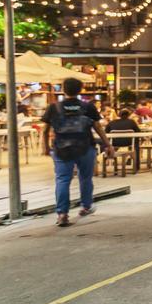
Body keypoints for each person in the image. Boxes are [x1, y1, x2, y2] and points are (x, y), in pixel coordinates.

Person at [42, 77, 114, 228]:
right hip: (85, 147)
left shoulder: (53, 108)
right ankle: (86, 206)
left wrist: (45, 147)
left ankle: (62, 214)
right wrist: (108, 145)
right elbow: (98, 128)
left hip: (61, 148)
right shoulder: (88, 107)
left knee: (62, 179)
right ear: (80, 90)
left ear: (63, 89)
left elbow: (45, 130)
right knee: (85, 178)